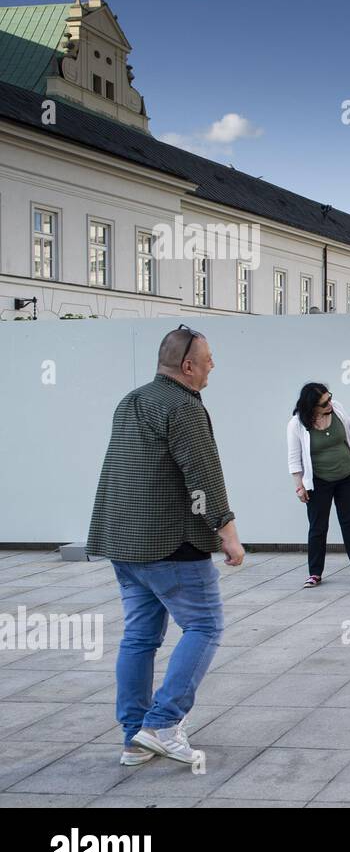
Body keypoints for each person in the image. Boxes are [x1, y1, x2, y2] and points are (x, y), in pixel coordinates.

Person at [86, 325, 244, 767]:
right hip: (170, 543)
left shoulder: (132, 400)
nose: (213, 365)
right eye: (208, 358)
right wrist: (227, 532)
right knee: (205, 626)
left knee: (139, 636)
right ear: (187, 366)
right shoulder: (184, 407)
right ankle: (163, 722)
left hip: (124, 541)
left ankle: (134, 738)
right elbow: (204, 477)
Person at [287, 383, 350, 588]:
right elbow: (294, 459)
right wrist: (299, 486)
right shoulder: (296, 425)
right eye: (324, 402)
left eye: (329, 397)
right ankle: (315, 573)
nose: (329, 403)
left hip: (347, 475)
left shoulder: (337, 408)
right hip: (318, 482)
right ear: (312, 406)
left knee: (349, 522)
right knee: (318, 527)